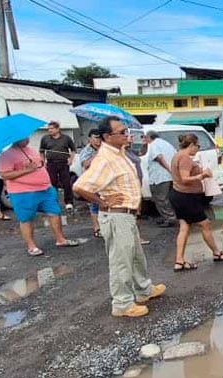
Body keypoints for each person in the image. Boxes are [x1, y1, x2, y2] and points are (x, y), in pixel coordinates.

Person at [73, 116, 165, 318]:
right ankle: (122, 303)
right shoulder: (105, 159)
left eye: (126, 131)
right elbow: (79, 187)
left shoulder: (120, 153)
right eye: (122, 132)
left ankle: (143, 290)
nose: (127, 135)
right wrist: (102, 202)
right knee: (121, 261)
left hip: (127, 214)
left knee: (136, 256)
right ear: (107, 136)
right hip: (116, 216)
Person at [0, 138, 79, 255]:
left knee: (54, 212)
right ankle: (31, 246)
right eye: (24, 138)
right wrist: (26, 170)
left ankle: (60, 239)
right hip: (23, 192)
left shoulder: (30, 150)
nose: (27, 139)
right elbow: (5, 175)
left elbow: (39, 166)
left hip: (45, 189)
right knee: (26, 218)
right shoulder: (6, 155)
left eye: (27, 136)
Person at [168, 133, 223, 270]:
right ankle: (217, 253)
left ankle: (179, 261)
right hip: (186, 197)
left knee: (184, 227)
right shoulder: (185, 158)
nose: (198, 149)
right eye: (198, 146)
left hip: (178, 195)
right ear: (192, 145)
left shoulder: (177, 156)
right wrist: (202, 175)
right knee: (205, 224)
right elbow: (185, 178)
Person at [39, 121, 76, 211]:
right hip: (51, 163)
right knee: (52, 183)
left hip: (63, 163)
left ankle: (69, 202)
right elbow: (41, 151)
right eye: (48, 129)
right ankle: (54, 201)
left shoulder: (66, 138)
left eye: (51, 128)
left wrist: (71, 159)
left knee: (66, 182)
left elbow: (73, 150)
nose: (49, 130)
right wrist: (43, 162)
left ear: (57, 129)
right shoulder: (45, 138)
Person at [144, 130, 178, 227]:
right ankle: (167, 217)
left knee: (161, 199)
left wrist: (168, 168)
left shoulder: (154, 144)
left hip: (159, 176)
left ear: (149, 137)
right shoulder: (166, 144)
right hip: (168, 176)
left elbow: (159, 157)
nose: (144, 140)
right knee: (166, 198)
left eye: (145, 137)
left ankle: (169, 218)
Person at [78, 129, 103, 237]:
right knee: (95, 204)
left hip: (104, 180)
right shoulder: (86, 150)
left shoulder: (105, 148)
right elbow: (85, 164)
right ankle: (96, 228)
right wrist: (97, 154)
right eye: (96, 137)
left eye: (100, 137)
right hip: (92, 181)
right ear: (90, 139)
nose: (98, 140)